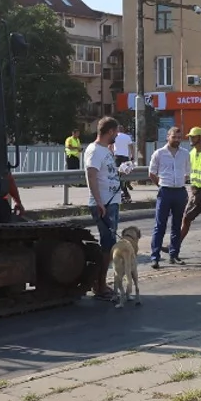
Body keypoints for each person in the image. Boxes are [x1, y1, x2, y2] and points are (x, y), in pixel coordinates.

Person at [80, 116, 122, 302]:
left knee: (110, 244)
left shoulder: (105, 150)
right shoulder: (95, 150)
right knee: (107, 246)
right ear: (110, 131)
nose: (118, 135)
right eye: (116, 132)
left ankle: (100, 282)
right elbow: (91, 175)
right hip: (104, 203)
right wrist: (99, 202)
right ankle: (100, 284)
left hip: (110, 201)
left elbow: (107, 174)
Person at [147, 126, 191, 269]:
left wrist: (181, 183)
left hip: (179, 191)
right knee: (160, 225)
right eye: (174, 137)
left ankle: (174, 254)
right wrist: (160, 185)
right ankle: (155, 257)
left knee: (177, 225)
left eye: (179, 137)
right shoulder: (159, 153)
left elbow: (187, 172)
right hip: (165, 191)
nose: (177, 140)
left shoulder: (185, 154)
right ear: (168, 137)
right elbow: (152, 173)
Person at [181, 127, 201, 249]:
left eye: (193, 136)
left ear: (200, 138)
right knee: (186, 217)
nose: (190, 139)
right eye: (190, 136)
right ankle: (175, 246)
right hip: (195, 191)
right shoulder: (191, 153)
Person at [112, 126, 135, 203]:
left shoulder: (115, 136)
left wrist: (112, 154)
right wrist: (132, 156)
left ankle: (123, 193)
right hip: (125, 157)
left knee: (117, 176)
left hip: (117, 157)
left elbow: (110, 146)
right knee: (125, 174)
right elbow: (131, 147)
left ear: (117, 130)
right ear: (123, 130)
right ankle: (126, 185)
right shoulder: (127, 137)